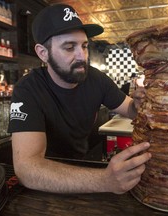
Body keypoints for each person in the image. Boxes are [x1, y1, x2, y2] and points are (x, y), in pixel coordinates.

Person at [8, 4, 151, 194]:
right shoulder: (27, 90)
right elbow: (27, 169)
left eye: (84, 46)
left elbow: (131, 110)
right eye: (69, 47)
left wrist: (140, 103)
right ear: (43, 53)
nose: (81, 56)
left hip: (83, 165)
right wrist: (104, 181)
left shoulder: (97, 79)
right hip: (43, 182)